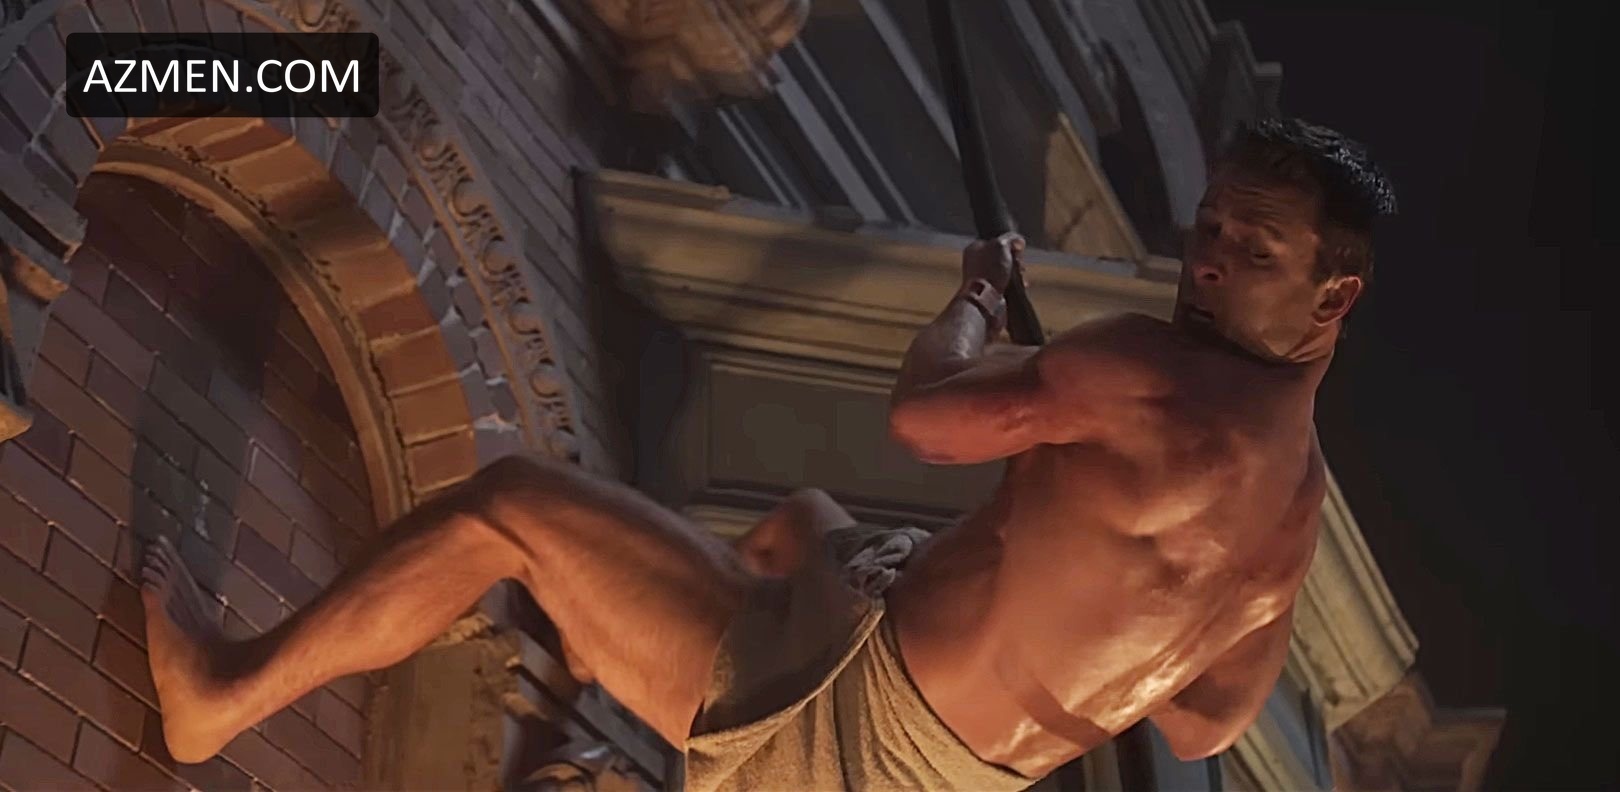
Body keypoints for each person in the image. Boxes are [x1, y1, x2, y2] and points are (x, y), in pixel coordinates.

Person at [140, 116, 1394, 790]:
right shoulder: (1293, 514)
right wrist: (1083, 578)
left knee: (507, 506)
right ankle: (623, 638)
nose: (1208, 262)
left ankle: (222, 698)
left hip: (849, 727)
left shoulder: (1153, 368)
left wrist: (973, 297)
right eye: (1209, 227)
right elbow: (1202, 726)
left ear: (1334, 296)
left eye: (1255, 251)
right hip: (946, 753)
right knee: (804, 523)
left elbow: (927, 415)